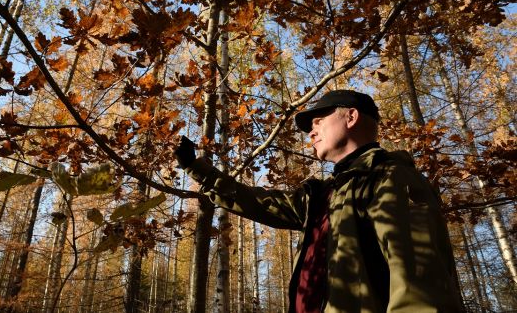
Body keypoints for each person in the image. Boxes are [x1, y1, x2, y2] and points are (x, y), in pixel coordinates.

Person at [174, 90, 464, 313]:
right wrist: (196, 167)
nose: (311, 132)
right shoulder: (323, 195)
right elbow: (258, 202)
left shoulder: (390, 177)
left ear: (351, 117)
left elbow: (421, 284)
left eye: (318, 121)